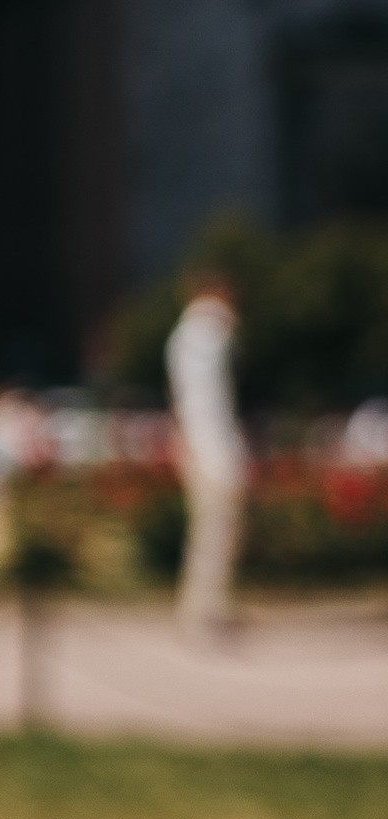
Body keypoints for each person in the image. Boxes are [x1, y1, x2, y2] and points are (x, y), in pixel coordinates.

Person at [165, 272, 246, 635]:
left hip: (203, 444)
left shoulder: (185, 334)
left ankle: (202, 610)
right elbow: (212, 403)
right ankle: (203, 614)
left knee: (209, 535)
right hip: (212, 448)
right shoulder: (209, 328)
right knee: (214, 535)